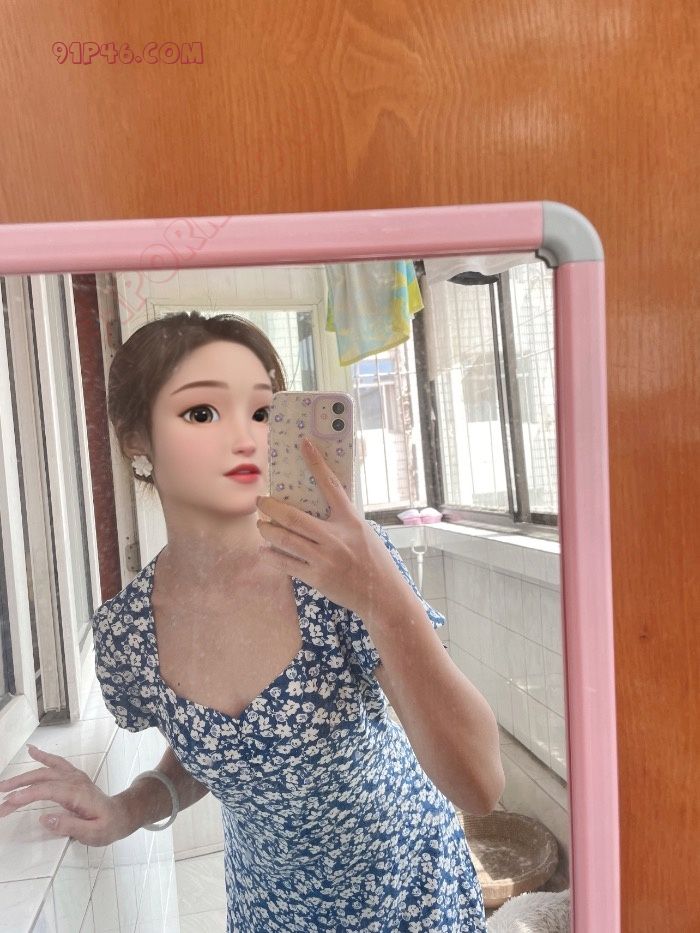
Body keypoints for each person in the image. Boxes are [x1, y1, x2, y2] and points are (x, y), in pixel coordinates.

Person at [0, 311, 504, 931]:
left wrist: (384, 597)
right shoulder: (128, 636)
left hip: (411, 892)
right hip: (271, 910)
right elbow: (215, 752)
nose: (244, 437)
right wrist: (126, 809)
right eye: (201, 413)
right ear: (136, 438)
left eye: (262, 412)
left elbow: (482, 786)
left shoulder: (336, 573)